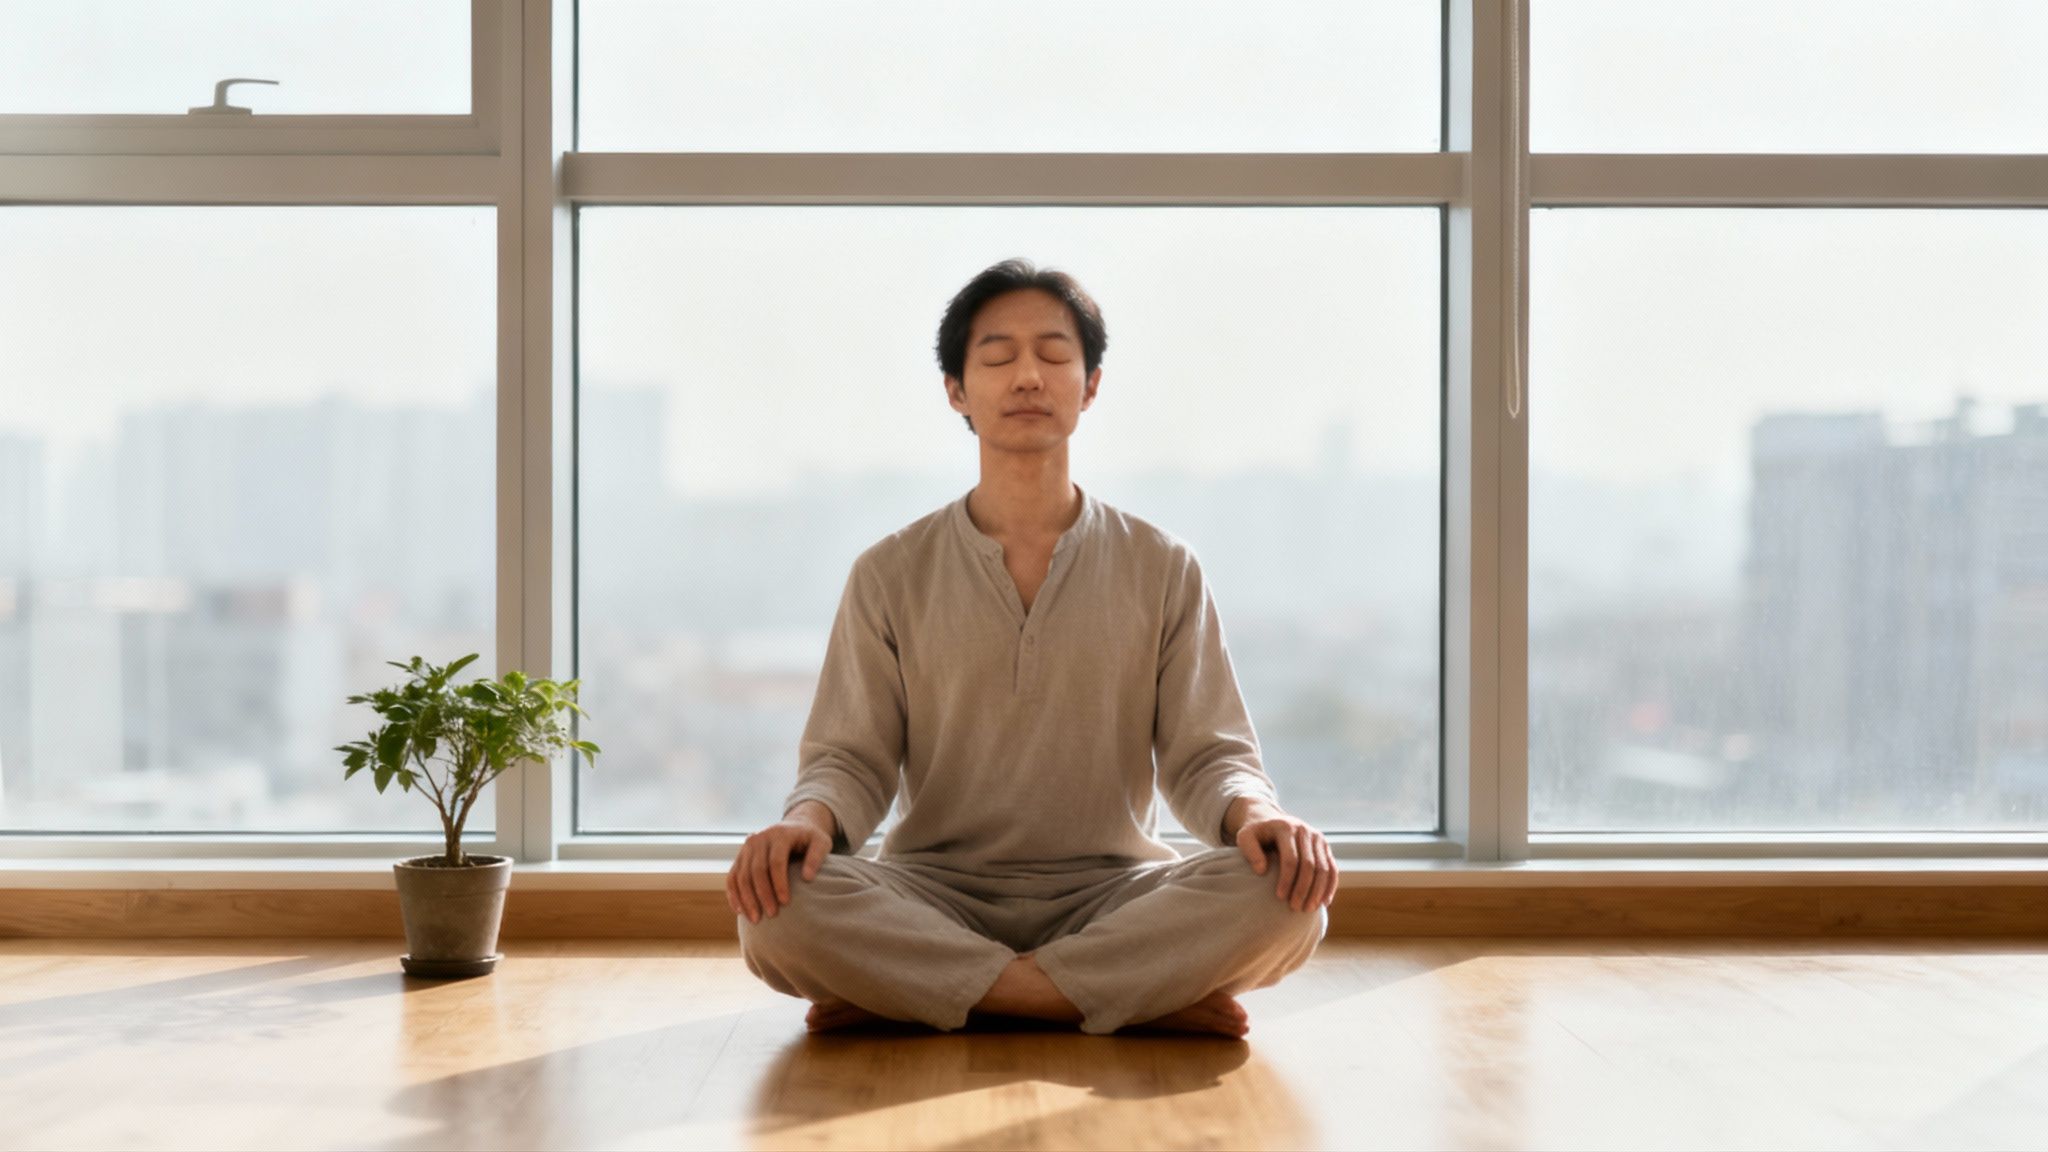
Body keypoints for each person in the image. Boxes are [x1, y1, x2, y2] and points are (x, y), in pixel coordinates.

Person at [726, 258, 1335, 1038]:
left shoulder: (1162, 565)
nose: (1027, 377)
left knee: (1288, 896)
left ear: (1090, 386)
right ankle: (1115, 994)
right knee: (779, 912)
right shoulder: (889, 571)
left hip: (1115, 894)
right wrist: (806, 822)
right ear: (956, 390)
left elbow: (1207, 754)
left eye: (1053, 354)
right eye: (997, 357)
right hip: (932, 892)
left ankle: (936, 993)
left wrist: (1260, 815)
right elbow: (851, 758)